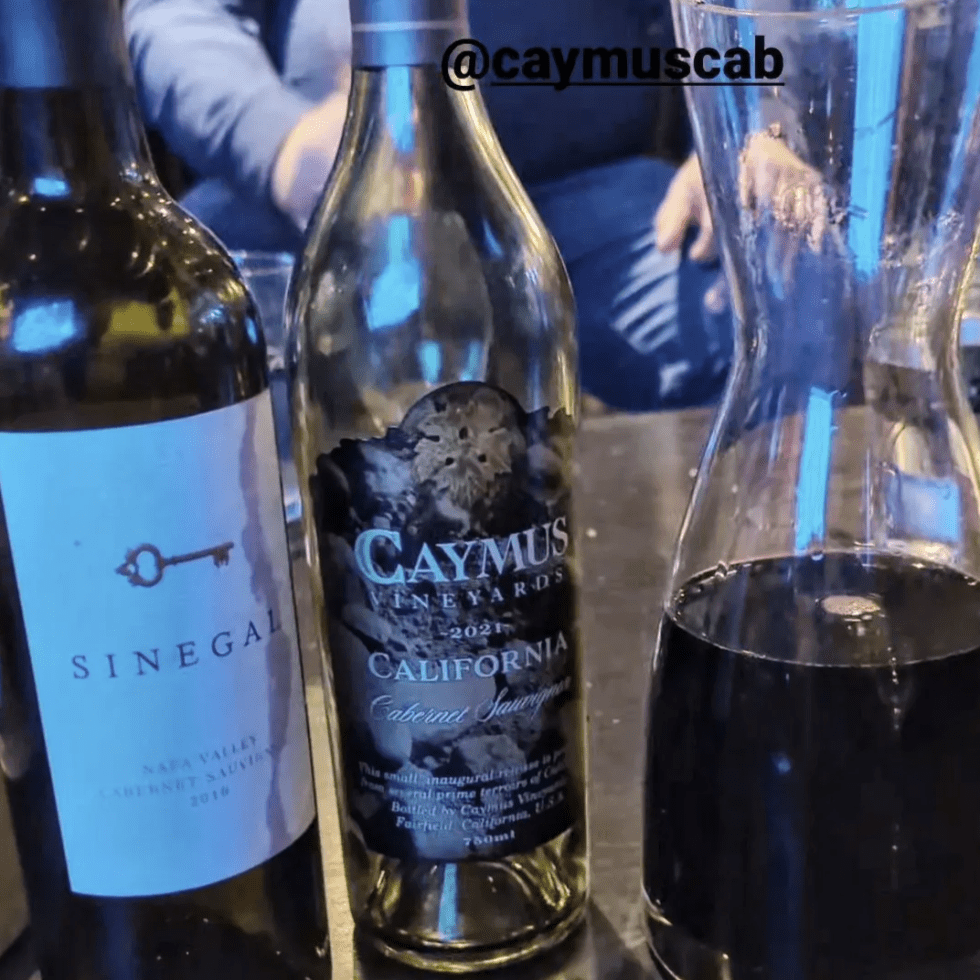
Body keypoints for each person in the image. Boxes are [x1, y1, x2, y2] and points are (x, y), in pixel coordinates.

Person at [124, 0, 734, 412]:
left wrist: (742, 118)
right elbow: (174, 15)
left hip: (587, 199)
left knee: (760, 310)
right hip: (328, 199)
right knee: (184, 342)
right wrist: (276, 140)